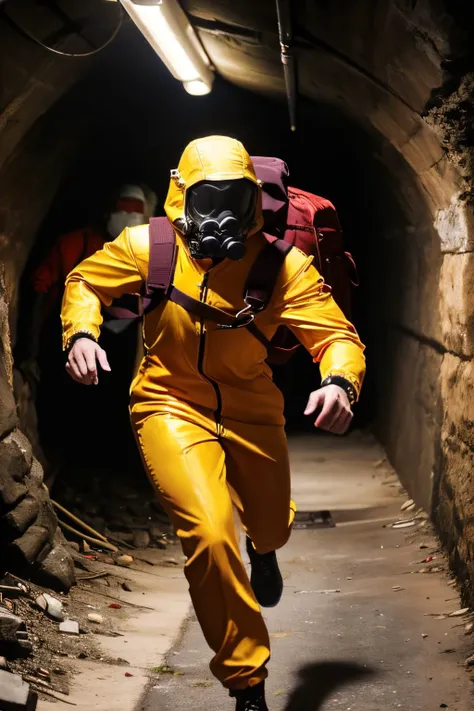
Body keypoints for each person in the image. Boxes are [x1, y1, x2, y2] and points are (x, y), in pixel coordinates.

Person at [61, 136, 366, 711]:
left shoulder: (281, 265)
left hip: (253, 405)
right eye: (208, 198)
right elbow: (83, 281)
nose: (220, 215)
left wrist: (340, 381)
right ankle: (247, 681)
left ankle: (267, 547)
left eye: (235, 198)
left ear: (254, 202)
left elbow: (336, 336)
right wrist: (80, 332)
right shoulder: (146, 245)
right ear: (183, 198)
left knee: (271, 523)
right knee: (208, 531)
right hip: (169, 402)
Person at [20, 183, 156, 474]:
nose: (128, 216)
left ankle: (102, 466)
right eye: (122, 209)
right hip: (70, 334)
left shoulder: (151, 252)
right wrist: (28, 351)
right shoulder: (75, 243)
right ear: (108, 211)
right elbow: (39, 288)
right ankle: (64, 459)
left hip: (122, 340)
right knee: (65, 402)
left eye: (136, 212)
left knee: (110, 403)